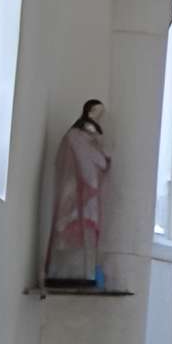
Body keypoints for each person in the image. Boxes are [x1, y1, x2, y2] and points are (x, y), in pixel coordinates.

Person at [45, 98, 112, 287]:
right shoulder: (76, 137)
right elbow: (85, 163)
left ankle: (84, 272)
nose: (100, 118)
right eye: (97, 113)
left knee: (86, 233)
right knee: (70, 229)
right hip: (76, 190)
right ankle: (65, 273)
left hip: (89, 193)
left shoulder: (91, 138)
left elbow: (100, 162)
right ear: (89, 113)